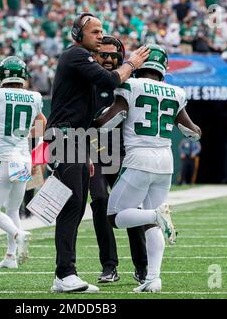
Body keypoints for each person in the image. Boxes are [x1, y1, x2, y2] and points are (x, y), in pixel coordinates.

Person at [45, 12, 150, 293]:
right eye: (95, 31)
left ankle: (65, 273)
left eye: (102, 30)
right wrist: (132, 63)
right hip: (65, 136)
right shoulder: (76, 56)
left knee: (77, 207)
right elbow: (112, 80)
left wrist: (88, 154)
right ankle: (65, 273)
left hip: (76, 139)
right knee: (72, 206)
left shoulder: (82, 60)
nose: (100, 35)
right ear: (78, 35)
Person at [102, 44, 201, 292]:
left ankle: (156, 215)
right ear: (163, 67)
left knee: (115, 217)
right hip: (165, 161)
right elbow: (193, 132)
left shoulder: (131, 86)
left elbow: (109, 120)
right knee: (151, 224)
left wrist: (93, 122)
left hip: (139, 158)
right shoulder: (176, 92)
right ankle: (153, 279)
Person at [0, 56, 47, 268]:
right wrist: (24, 135)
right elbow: (43, 125)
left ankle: (17, 233)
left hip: (4, 158)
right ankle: (11, 257)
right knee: (13, 209)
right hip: (23, 158)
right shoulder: (34, 97)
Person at [90, 35, 148, 284]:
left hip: (123, 153)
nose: (110, 60)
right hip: (94, 152)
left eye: (114, 55)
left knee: (130, 208)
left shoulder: (131, 84)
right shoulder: (86, 80)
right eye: (104, 54)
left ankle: (142, 266)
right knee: (100, 202)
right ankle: (109, 265)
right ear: (95, 55)